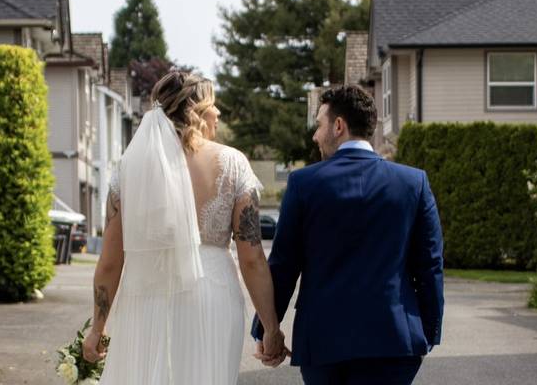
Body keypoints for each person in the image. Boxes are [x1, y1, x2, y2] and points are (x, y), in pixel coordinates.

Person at [81, 71, 285, 384]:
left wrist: (98, 328)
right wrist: (271, 328)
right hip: (211, 295)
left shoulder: (128, 169)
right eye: (213, 105)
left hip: (144, 295)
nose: (218, 113)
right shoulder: (232, 163)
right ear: (198, 112)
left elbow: (110, 262)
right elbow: (252, 258)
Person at [252, 84, 444, 385]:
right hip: (395, 340)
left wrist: (267, 331)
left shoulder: (303, 184)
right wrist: (429, 332)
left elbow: (283, 266)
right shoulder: (413, 183)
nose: (315, 135)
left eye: (319, 125)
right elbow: (430, 265)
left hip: (323, 342)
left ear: (338, 126)